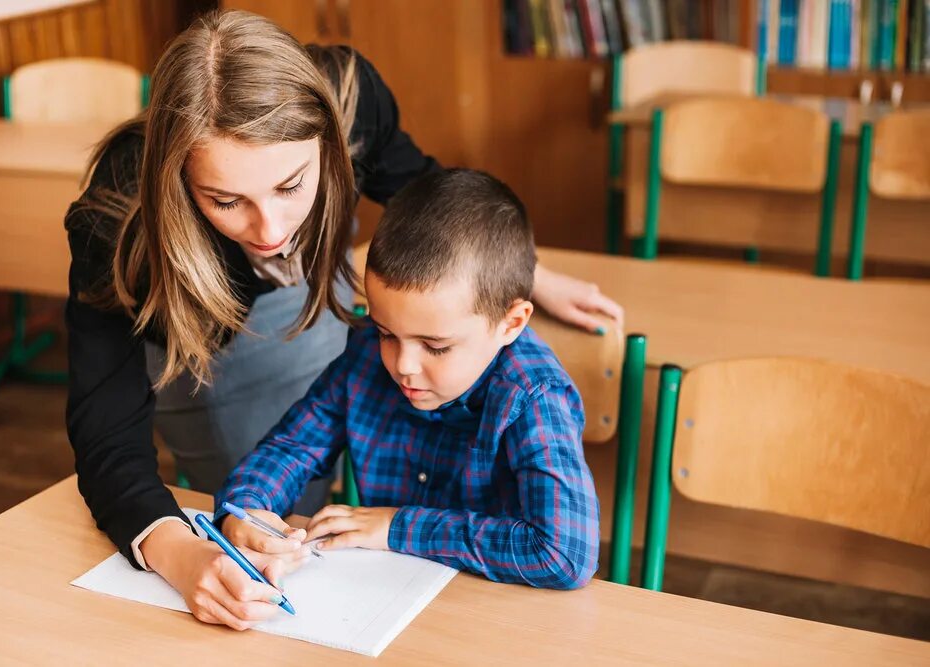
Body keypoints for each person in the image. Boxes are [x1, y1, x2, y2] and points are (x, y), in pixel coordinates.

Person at [65, 10, 616, 629]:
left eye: (292, 185)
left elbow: (438, 205)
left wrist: (528, 273)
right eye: (226, 200)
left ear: (330, 141)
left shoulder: (355, 102)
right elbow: (113, 432)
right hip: (208, 335)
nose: (272, 234)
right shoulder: (118, 223)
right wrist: (200, 539)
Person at [216, 168, 599, 591]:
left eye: (435, 346)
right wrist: (246, 511)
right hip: (386, 598)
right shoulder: (366, 358)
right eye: (386, 333)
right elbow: (292, 448)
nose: (403, 365)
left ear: (511, 323)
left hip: (492, 611)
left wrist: (397, 527)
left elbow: (563, 554)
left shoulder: (533, 397)